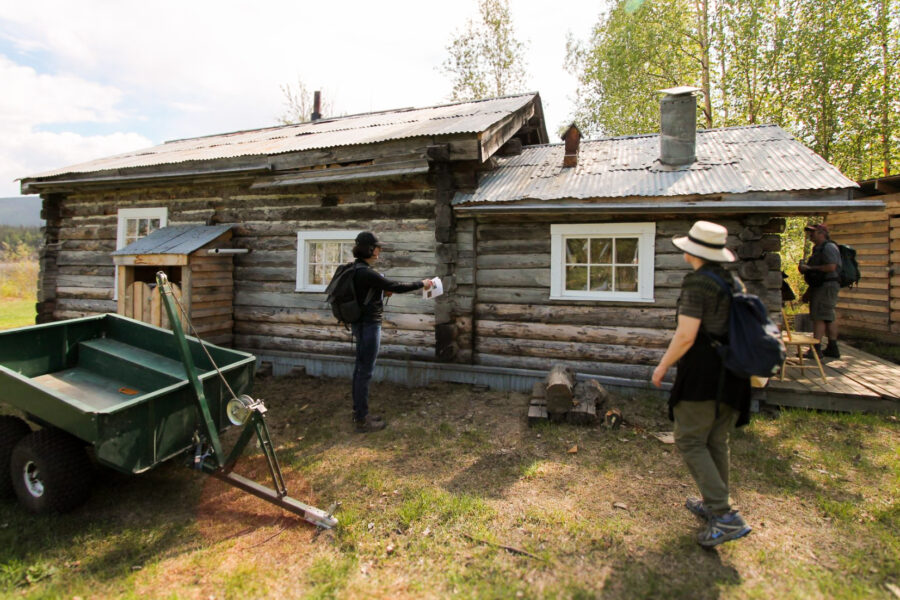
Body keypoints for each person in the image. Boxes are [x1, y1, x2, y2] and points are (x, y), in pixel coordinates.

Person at [651, 220, 752, 548]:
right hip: (734, 373)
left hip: (705, 373)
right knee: (715, 439)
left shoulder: (697, 285)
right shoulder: (732, 282)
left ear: (693, 252)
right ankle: (715, 504)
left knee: (690, 439)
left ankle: (724, 516)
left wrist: (663, 366)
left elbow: (686, 335)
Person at [348, 231, 432, 433]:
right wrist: (423, 283)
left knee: (360, 370)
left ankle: (360, 412)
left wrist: (379, 291)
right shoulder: (367, 272)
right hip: (369, 325)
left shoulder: (355, 269)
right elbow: (397, 286)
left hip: (360, 324)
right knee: (365, 371)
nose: (379, 251)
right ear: (369, 249)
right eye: (377, 247)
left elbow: (365, 293)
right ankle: (362, 419)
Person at [798, 223, 841, 358]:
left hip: (827, 286)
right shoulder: (818, 249)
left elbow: (831, 267)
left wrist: (810, 269)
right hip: (821, 286)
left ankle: (816, 349)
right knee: (828, 316)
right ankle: (832, 348)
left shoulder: (829, 247)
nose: (810, 235)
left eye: (813, 232)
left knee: (820, 317)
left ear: (822, 233)